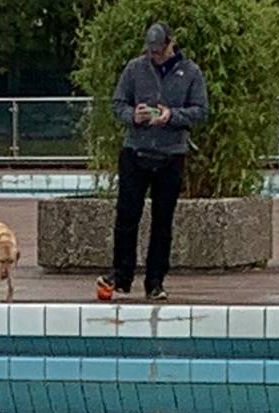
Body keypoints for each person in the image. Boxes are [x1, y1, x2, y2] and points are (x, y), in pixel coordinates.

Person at [96, 22, 207, 302]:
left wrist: (172, 116)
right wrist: (133, 115)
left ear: (171, 44)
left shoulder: (191, 72)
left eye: (160, 52)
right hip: (135, 151)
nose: (155, 56)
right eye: (151, 52)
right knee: (126, 216)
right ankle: (121, 276)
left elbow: (200, 111)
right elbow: (117, 103)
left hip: (171, 154)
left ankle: (155, 282)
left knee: (162, 221)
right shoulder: (135, 68)